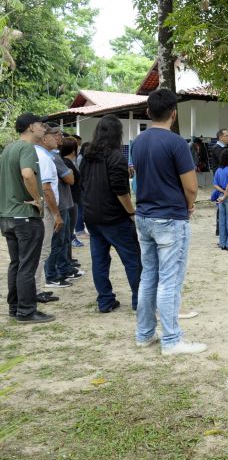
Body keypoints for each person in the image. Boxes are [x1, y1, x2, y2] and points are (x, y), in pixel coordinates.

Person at [132, 88, 204, 356]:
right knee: (170, 281)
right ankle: (172, 340)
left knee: (148, 277)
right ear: (173, 114)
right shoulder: (177, 143)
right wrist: (188, 206)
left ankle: (144, 334)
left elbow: (140, 176)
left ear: (148, 112)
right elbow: (191, 187)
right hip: (170, 219)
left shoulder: (138, 142)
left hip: (144, 217)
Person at [81, 116, 142, 313]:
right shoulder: (116, 156)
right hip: (115, 218)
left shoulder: (87, 155)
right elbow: (121, 190)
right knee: (132, 260)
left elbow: (82, 184)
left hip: (92, 217)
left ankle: (105, 301)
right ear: (118, 133)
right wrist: (131, 212)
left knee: (99, 260)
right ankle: (139, 301)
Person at [0, 113, 53, 323]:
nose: (44, 129)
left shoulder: (8, 149)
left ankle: (15, 307)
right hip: (25, 216)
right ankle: (26, 311)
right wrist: (39, 199)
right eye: (41, 125)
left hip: (7, 215)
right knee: (27, 265)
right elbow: (28, 174)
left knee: (16, 263)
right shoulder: (26, 148)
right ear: (31, 127)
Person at [45, 127, 82, 288]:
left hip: (65, 203)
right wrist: (68, 173)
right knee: (56, 242)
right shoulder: (52, 158)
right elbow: (70, 178)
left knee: (65, 239)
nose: (60, 136)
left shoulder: (56, 157)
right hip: (57, 205)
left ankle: (64, 269)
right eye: (57, 134)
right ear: (46, 137)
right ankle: (52, 275)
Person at [35, 125, 66, 298]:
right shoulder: (45, 158)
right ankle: (36, 290)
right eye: (54, 135)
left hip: (43, 208)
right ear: (44, 138)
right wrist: (56, 214)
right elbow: (46, 189)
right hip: (46, 209)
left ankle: (34, 288)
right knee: (43, 250)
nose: (57, 138)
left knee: (40, 250)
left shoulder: (42, 155)